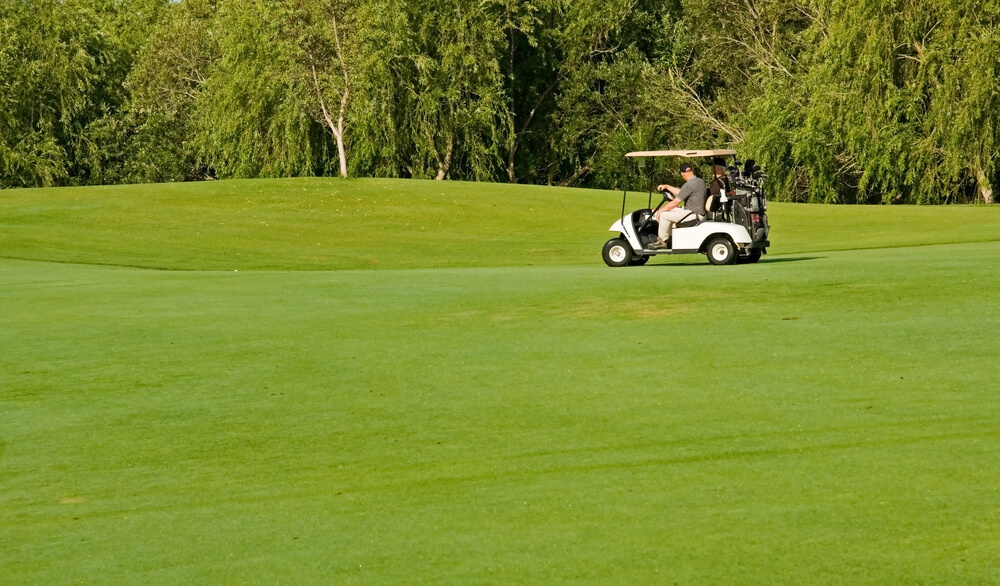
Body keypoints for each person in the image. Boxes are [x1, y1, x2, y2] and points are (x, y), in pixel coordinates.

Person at [650, 163, 707, 248]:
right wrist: (667, 187)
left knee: (663, 215)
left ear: (682, 174)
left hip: (694, 215)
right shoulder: (699, 181)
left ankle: (663, 240)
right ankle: (669, 238)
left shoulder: (690, 184)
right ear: (692, 170)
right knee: (667, 211)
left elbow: (675, 202)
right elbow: (682, 192)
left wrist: (660, 211)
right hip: (695, 212)